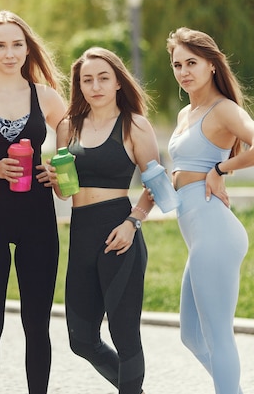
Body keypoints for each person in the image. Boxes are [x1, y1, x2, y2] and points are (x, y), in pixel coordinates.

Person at [166, 27, 254, 394]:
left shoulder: (223, 108)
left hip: (215, 233)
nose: (184, 71)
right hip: (199, 233)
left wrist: (220, 170)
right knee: (191, 336)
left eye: (192, 63)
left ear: (212, 65)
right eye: (177, 64)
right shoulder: (187, 112)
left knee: (217, 337)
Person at [0, 10, 66, 394]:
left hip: (38, 220)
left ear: (28, 49)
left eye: (17, 44)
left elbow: (74, 148)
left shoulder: (47, 97)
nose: (9, 53)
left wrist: (59, 171)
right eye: (1, 45)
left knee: (36, 325)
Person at [51, 47, 157, 394]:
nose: (95, 86)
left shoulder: (134, 125)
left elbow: (157, 185)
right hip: (81, 233)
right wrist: (57, 183)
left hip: (119, 233)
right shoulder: (68, 127)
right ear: (79, 86)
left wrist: (132, 222)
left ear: (117, 83)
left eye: (103, 78)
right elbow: (65, 193)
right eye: (87, 80)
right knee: (81, 339)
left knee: (125, 336)